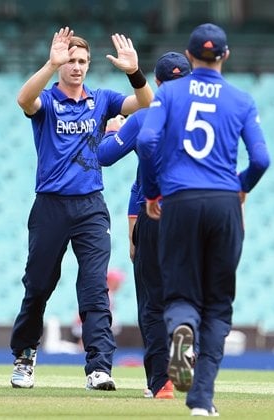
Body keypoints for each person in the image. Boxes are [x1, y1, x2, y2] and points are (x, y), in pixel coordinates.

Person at [136, 23, 270, 416]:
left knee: (179, 296)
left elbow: (146, 141)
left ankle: (183, 330)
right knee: (218, 304)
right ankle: (201, 399)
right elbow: (261, 159)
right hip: (224, 202)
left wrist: (151, 192)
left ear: (190, 56)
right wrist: (241, 185)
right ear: (225, 56)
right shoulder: (241, 100)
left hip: (179, 200)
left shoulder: (170, 92)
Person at [10, 26, 153, 390]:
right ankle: (25, 356)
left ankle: (99, 367)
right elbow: (24, 100)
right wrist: (49, 63)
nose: (76, 67)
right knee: (39, 285)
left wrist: (134, 72)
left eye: (82, 61)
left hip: (91, 206)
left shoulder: (101, 100)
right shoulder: (48, 100)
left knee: (94, 288)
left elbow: (146, 105)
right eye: (70, 60)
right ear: (61, 64)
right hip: (50, 206)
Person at [97, 52, 192, 400]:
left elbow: (104, 157)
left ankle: (162, 383)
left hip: (156, 214)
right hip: (196, 216)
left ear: (158, 83)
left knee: (152, 303)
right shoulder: (205, 120)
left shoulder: (144, 117)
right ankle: (186, 333)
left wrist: (111, 129)